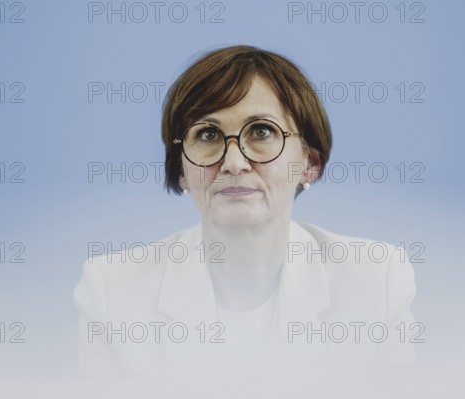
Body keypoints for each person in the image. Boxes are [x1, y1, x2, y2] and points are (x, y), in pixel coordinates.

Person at [73, 45, 418, 379]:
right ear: (181, 171)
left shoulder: (376, 279)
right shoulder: (111, 290)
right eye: (207, 134)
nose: (234, 163)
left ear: (308, 164)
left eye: (262, 131)